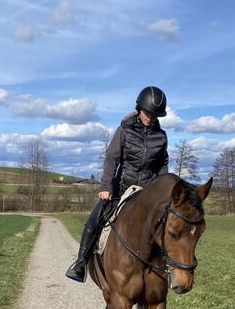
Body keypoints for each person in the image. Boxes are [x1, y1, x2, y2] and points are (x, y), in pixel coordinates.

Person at [65, 86, 169, 283]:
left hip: (147, 192)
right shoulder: (124, 131)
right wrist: (105, 187)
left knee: (168, 223)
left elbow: (162, 164)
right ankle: (80, 263)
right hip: (121, 190)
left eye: (155, 114)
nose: (151, 117)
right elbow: (112, 159)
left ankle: (168, 269)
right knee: (95, 219)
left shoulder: (161, 136)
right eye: (148, 112)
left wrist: (162, 189)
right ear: (139, 109)